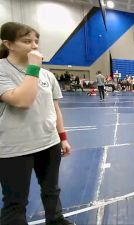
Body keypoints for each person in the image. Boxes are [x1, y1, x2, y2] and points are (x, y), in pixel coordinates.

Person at [0, 22, 74, 225]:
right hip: (14, 148)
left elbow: (55, 108)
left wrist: (62, 138)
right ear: (8, 44)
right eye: (26, 41)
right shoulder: (2, 70)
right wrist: (33, 67)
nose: (34, 46)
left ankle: (56, 220)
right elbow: (22, 101)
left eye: (36, 41)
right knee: (15, 202)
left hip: (49, 143)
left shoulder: (47, 75)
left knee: (52, 189)